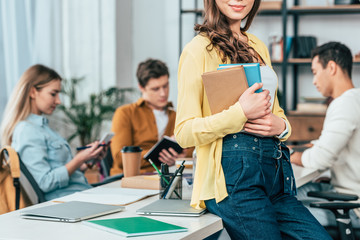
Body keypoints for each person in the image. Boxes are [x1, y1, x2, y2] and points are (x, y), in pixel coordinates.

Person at [174, 0, 331, 239]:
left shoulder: (258, 45)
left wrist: (283, 127)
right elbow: (184, 132)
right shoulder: (198, 50)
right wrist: (240, 113)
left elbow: (275, 110)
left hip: (276, 174)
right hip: (233, 180)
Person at [0, 64, 107, 201]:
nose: (58, 101)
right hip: (67, 202)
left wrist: (87, 161)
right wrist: (78, 159)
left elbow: (60, 171)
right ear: (33, 92)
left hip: (80, 196)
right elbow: (44, 182)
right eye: (53, 94)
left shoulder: (42, 128)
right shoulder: (27, 131)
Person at [291, 42, 360, 228]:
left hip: (353, 207)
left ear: (331, 67)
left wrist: (291, 155)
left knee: (280, 210)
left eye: (314, 72)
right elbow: (325, 143)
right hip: (346, 191)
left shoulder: (344, 104)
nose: (314, 81)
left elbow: (321, 158)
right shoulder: (355, 98)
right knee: (290, 193)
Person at [110, 58, 190, 176]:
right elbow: (119, 157)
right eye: (155, 89)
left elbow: (193, 151)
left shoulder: (177, 116)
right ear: (141, 88)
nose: (163, 93)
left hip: (165, 178)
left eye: (165, 86)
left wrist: (178, 158)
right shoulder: (125, 113)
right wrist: (160, 155)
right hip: (132, 178)